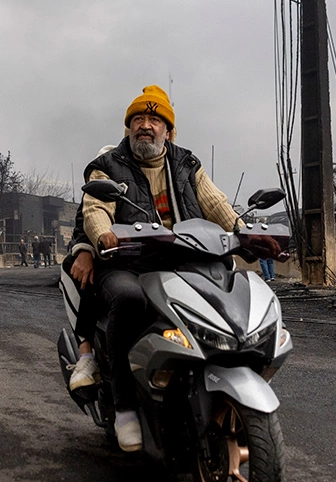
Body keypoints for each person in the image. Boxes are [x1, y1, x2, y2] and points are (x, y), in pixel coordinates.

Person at [67, 85, 242, 452]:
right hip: (128, 262)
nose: (146, 126)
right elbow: (95, 208)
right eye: (138, 120)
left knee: (227, 287)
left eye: (154, 119)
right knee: (129, 299)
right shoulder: (108, 166)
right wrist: (103, 237)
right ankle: (126, 406)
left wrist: (244, 233)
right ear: (129, 127)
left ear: (168, 130)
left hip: (185, 259)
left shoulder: (186, 163)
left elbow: (214, 202)